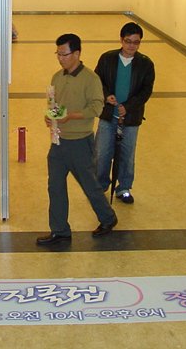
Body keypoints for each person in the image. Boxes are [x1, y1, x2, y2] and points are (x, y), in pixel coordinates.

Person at [36, 33, 118, 246]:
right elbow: (55, 105)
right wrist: (51, 117)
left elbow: (97, 107)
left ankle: (108, 218)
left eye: (64, 54)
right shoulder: (57, 77)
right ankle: (60, 230)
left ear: (77, 53)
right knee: (55, 186)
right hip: (58, 142)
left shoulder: (90, 79)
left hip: (80, 142)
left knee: (89, 184)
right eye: (58, 54)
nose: (60, 58)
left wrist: (70, 116)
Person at [94, 22, 155, 204]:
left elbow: (146, 91)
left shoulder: (146, 64)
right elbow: (97, 81)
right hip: (108, 115)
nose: (131, 46)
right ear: (121, 40)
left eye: (136, 42)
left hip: (131, 119)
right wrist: (106, 96)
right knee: (102, 153)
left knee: (127, 155)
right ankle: (100, 185)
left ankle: (124, 188)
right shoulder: (107, 59)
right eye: (128, 41)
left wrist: (128, 106)